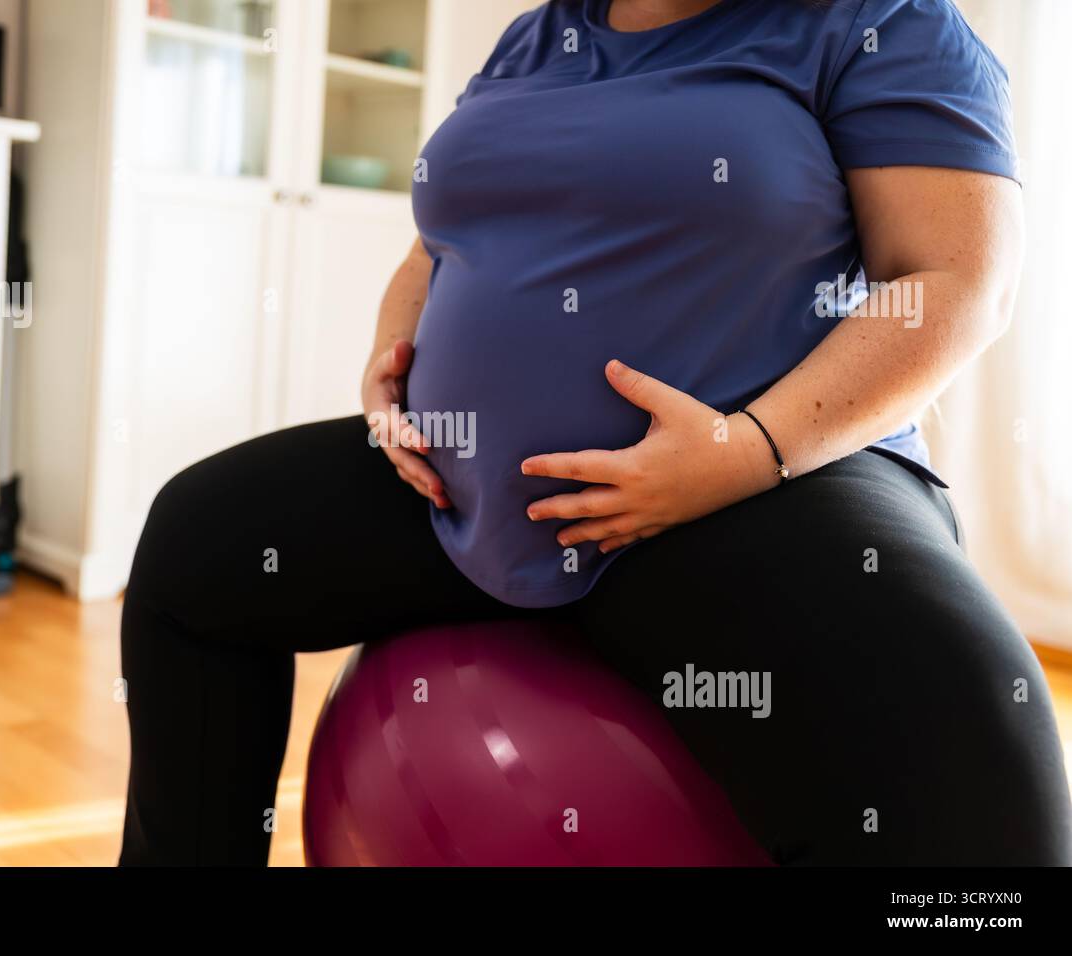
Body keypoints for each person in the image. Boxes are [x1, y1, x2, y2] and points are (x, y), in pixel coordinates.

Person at [118, 0, 1072, 865]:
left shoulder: (880, 21)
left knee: (969, 759)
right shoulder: (536, 37)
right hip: (465, 490)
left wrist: (746, 450)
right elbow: (439, 237)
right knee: (196, 553)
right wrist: (391, 356)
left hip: (767, 484)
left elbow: (950, 281)